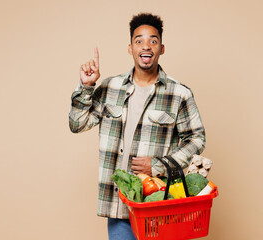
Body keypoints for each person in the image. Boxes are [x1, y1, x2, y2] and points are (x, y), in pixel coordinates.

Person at [69, 13, 205, 240]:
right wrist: (86, 87)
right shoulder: (110, 87)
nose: (146, 46)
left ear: (162, 48)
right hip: (119, 204)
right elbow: (77, 124)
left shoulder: (179, 93)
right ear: (130, 48)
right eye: (139, 40)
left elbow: (197, 139)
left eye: (153, 40)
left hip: (158, 204)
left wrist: (159, 165)